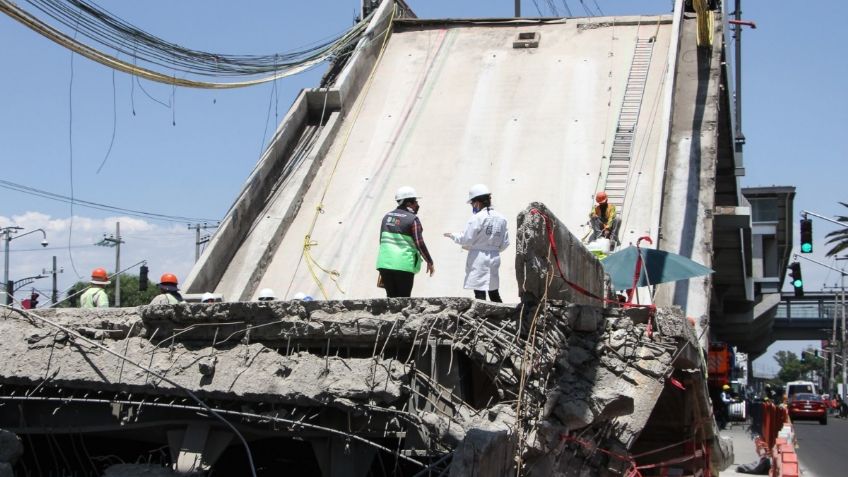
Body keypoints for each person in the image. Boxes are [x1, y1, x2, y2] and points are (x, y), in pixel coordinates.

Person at [444, 184, 509, 302]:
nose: (472, 206)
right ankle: (500, 314)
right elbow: (505, 243)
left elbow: (466, 239)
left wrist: (453, 235)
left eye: (472, 203)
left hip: (478, 257)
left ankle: (481, 315)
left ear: (477, 202)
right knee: (493, 290)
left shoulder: (477, 218)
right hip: (495, 256)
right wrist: (492, 249)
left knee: (479, 292)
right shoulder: (502, 218)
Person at [376, 186, 435, 298]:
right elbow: (419, 243)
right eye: (415, 202)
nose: (417, 205)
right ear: (408, 203)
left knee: (391, 299)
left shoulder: (386, 217)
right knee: (404, 300)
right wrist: (429, 261)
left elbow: (382, 241)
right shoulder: (412, 219)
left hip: (384, 264)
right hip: (403, 265)